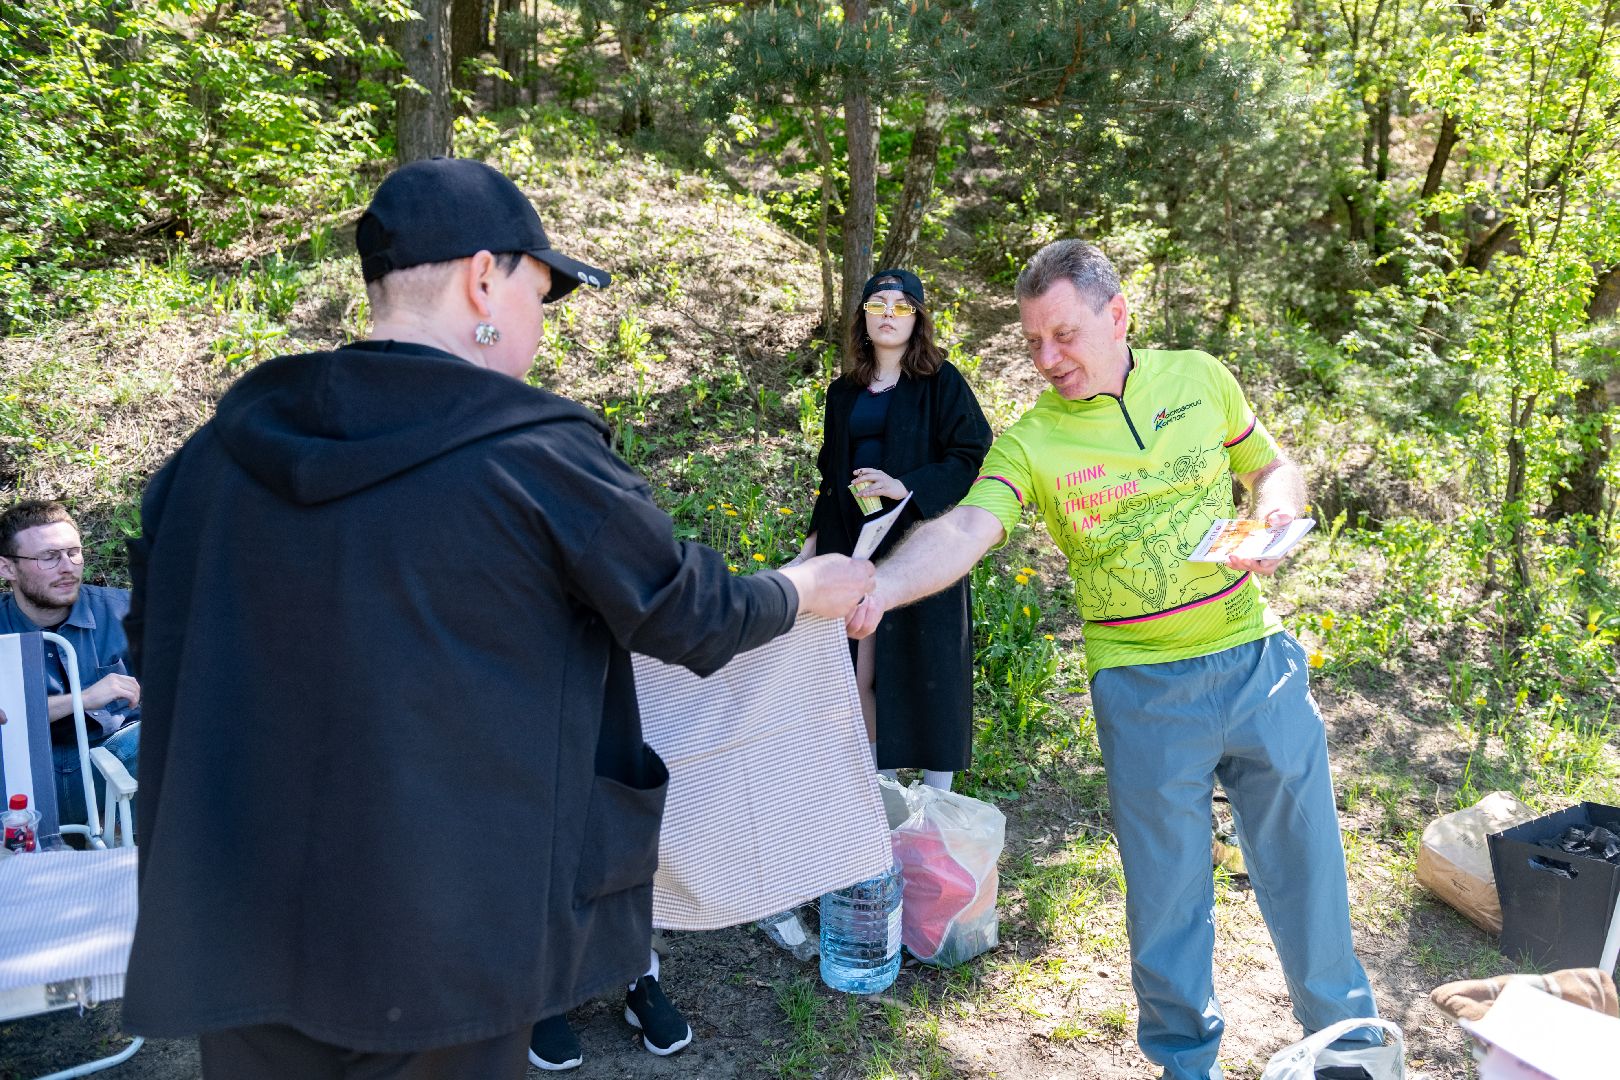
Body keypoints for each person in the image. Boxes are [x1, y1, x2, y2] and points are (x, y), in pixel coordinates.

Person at [120, 157, 874, 1080]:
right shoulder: (533, 457)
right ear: (487, 276)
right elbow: (686, 612)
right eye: (541, 294)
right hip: (449, 932)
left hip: (240, 922)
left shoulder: (207, 465)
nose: (538, 329)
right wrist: (806, 588)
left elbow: (157, 654)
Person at [847, 240, 1380, 1080]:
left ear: (1118, 313)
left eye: (1062, 336)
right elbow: (965, 529)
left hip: (1256, 662)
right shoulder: (1032, 442)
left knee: (1309, 871)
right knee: (1168, 903)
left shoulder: (1200, 377)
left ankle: (1350, 1053)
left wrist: (1275, 514)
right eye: (1032, 343)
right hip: (1139, 688)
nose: (1046, 360)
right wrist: (880, 583)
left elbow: (1271, 465)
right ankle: (1185, 1065)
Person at [797, 269, 990, 790]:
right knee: (859, 660)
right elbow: (829, 475)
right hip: (852, 542)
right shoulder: (844, 392)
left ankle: (937, 800)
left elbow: (971, 454)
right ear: (861, 316)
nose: (888, 313)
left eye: (902, 306)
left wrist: (905, 486)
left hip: (921, 540)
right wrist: (812, 547)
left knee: (929, 663)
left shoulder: (941, 382)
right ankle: (874, 791)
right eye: (877, 303)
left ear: (918, 319)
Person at [0, 500, 140, 829]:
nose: (68, 567)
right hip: (18, 771)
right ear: (7, 568)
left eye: (73, 552)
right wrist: (84, 698)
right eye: (49, 557)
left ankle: (131, 848)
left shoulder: (124, 610)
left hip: (107, 755)